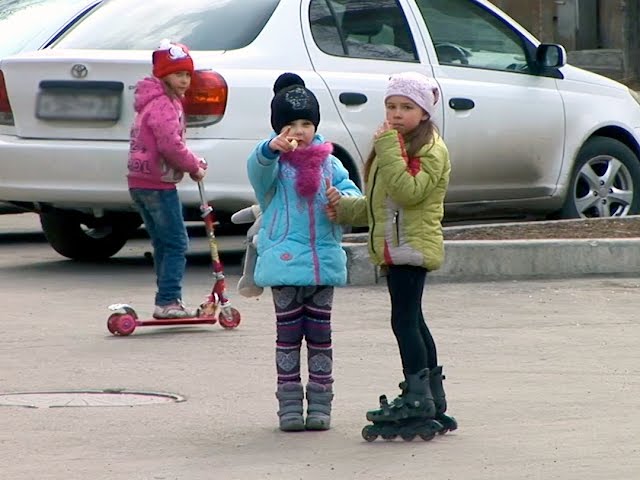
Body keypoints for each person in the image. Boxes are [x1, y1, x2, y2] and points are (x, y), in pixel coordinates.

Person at [326, 71, 458, 439]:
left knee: (404, 321)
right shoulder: (398, 143)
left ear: (425, 112)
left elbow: (407, 193)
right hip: (396, 246)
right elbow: (380, 204)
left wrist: (386, 147)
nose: (397, 113)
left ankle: (418, 397)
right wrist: (347, 209)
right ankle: (431, 393)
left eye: (406, 107)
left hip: (411, 248)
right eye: (391, 106)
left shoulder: (429, 148)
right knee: (413, 318)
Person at [247, 72, 361, 432]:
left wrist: (341, 202)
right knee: (288, 338)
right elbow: (256, 169)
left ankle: (321, 404)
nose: (298, 131)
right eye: (290, 125)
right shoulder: (274, 165)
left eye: (306, 123)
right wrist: (269, 150)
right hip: (283, 264)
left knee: (321, 338)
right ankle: (289, 405)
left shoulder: (330, 163)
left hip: (322, 263)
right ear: (278, 129)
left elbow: (353, 196)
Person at [127, 39, 207, 319]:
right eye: (177, 74)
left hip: (139, 181)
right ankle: (168, 300)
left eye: (187, 74)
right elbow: (170, 145)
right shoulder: (164, 105)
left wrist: (191, 161)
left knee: (163, 242)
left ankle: (166, 299)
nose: (184, 80)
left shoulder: (151, 102)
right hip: (158, 184)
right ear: (162, 74)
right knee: (176, 242)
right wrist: (193, 166)